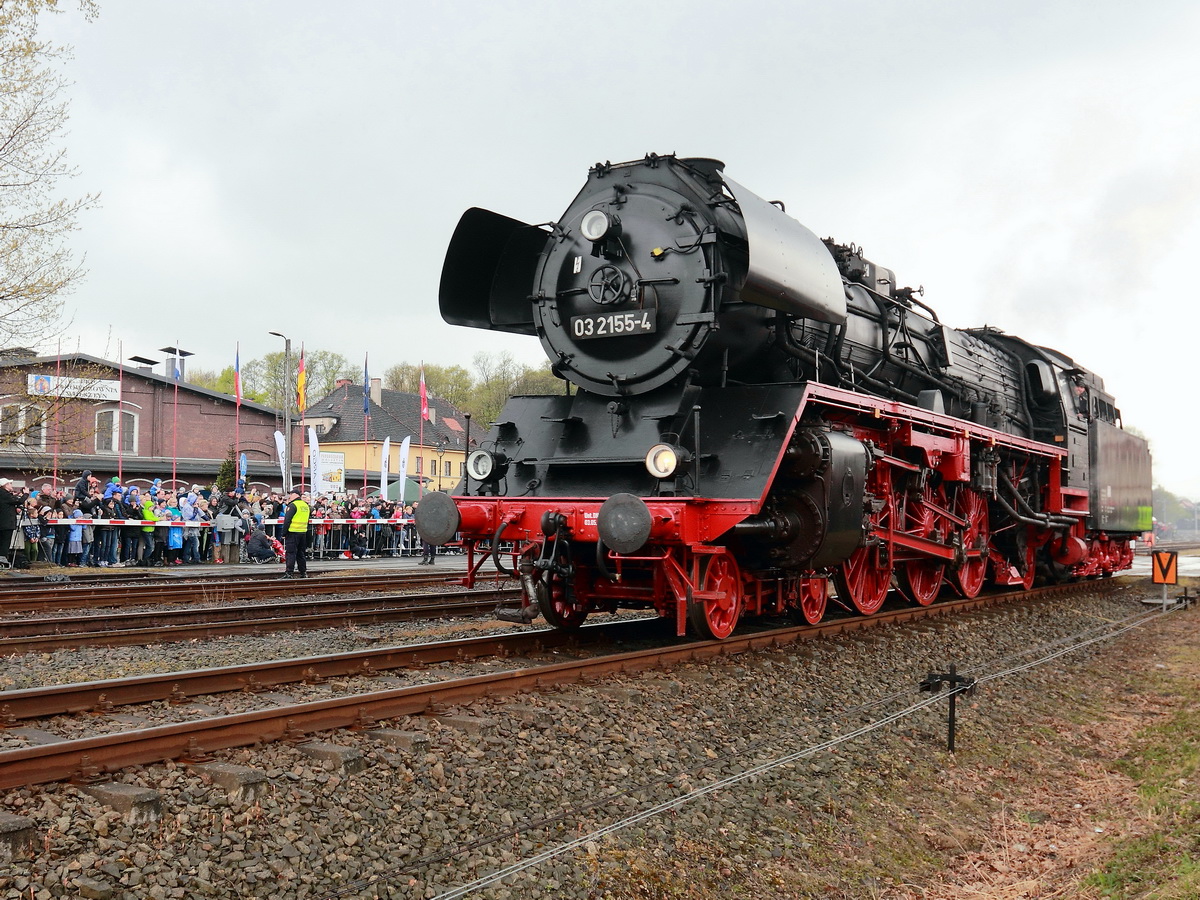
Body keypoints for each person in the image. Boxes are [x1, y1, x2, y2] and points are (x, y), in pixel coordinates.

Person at [280, 486, 310, 578]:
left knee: (290, 553)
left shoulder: (293, 505)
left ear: (296, 495)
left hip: (292, 532)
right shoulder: (305, 505)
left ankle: (289, 573)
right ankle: (303, 572)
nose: (289, 496)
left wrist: (283, 533)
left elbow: (287, 520)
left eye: (291, 494)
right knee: (301, 554)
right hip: (303, 532)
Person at [0, 477, 27, 563]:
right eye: (9, 484)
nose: (11, 485)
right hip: (6, 523)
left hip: (4, 522)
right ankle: (2, 560)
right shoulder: (4, 494)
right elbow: (18, 501)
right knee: (5, 543)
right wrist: (25, 494)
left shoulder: (4, 495)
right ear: (5, 485)